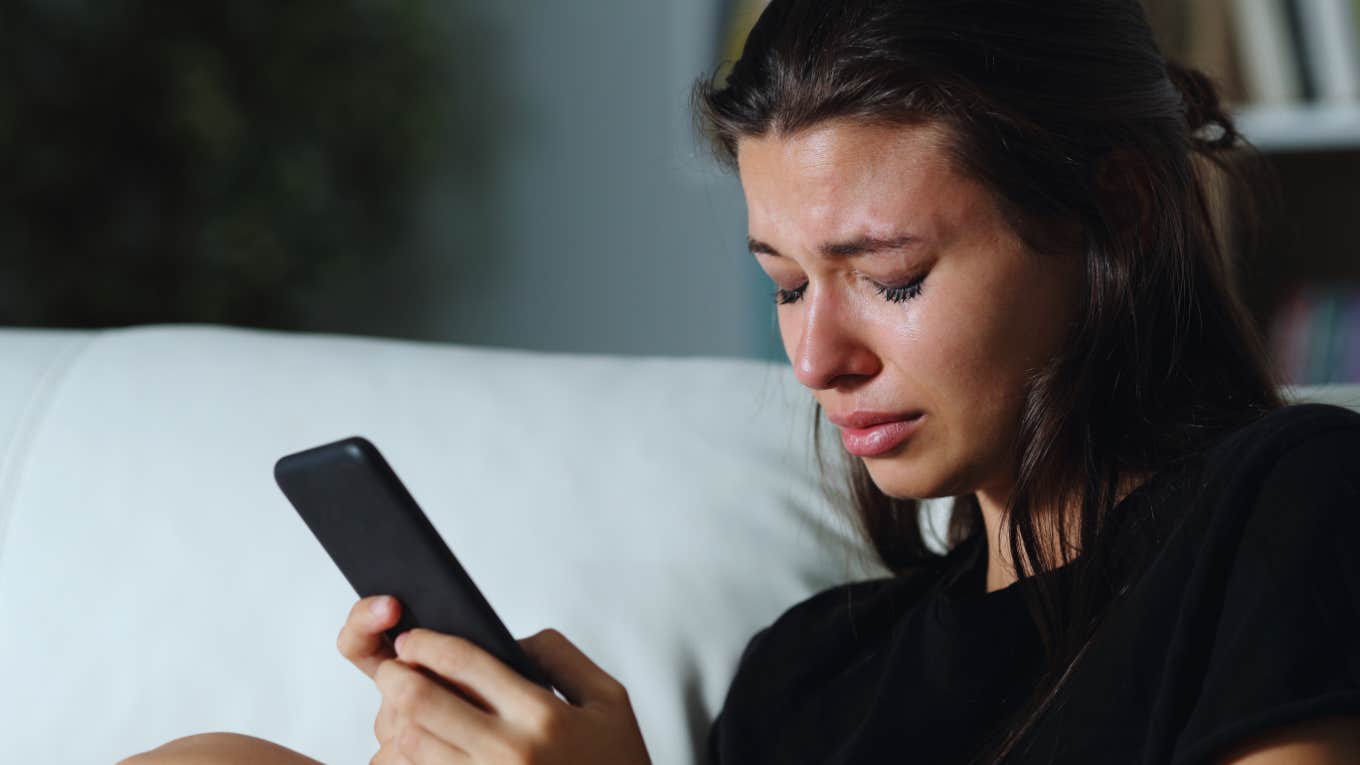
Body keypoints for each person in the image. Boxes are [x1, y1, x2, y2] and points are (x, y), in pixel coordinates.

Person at [120, 1, 1360, 763]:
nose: (817, 360)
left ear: (1116, 213)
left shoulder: (1288, 507)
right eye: (783, 283)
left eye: (891, 274)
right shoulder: (809, 676)